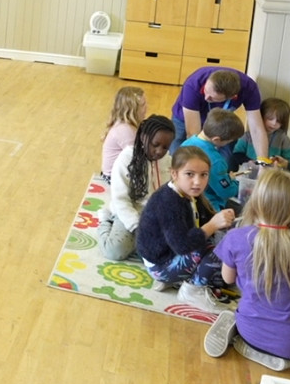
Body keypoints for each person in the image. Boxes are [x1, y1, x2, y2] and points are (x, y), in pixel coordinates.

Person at [204, 169, 290, 371]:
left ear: (256, 201)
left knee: (240, 309)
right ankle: (282, 359)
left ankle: (244, 343)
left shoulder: (237, 237)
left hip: (251, 332)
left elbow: (227, 278)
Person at [135, 144, 237, 314]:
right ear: (174, 173)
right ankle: (192, 291)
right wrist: (213, 225)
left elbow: (202, 221)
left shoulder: (186, 192)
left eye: (203, 175)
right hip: (161, 264)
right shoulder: (169, 201)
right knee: (223, 252)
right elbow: (182, 245)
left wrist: (222, 223)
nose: (198, 181)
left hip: (165, 254)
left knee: (222, 245)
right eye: (190, 174)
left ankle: (181, 279)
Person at [97, 115, 174, 261]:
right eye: (155, 144)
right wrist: (138, 227)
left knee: (172, 249)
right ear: (143, 137)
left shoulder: (168, 161)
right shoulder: (125, 160)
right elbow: (121, 200)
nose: (159, 151)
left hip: (155, 216)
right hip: (130, 213)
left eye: (165, 147)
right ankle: (105, 220)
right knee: (115, 251)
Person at [171, 66, 268, 155]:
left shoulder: (249, 89)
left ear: (233, 97)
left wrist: (263, 161)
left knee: (224, 157)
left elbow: (256, 129)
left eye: (211, 98)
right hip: (185, 118)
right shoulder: (193, 84)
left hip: (217, 121)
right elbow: (192, 134)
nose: (205, 98)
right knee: (177, 153)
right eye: (205, 91)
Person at [183, 109, 243, 210]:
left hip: (186, 200)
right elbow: (226, 192)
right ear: (216, 140)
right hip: (209, 207)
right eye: (230, 141)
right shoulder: (216, 161)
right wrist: (234, 182)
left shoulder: (186, 143)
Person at [232, 97, 290, 167]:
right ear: (261, 116)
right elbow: (237, 154)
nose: (274, 123)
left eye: (278, 121)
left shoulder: (283, 139)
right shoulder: (248, 135)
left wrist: (278, 164)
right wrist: (248, 161)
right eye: (270, 119)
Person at [101, 86, 148, 178]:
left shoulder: (128, 125)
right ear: (132, 110)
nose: (147, 107)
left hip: (121, 173)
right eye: (142, 105)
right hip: (113, 177)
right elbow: (137, 158)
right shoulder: (125, 130)